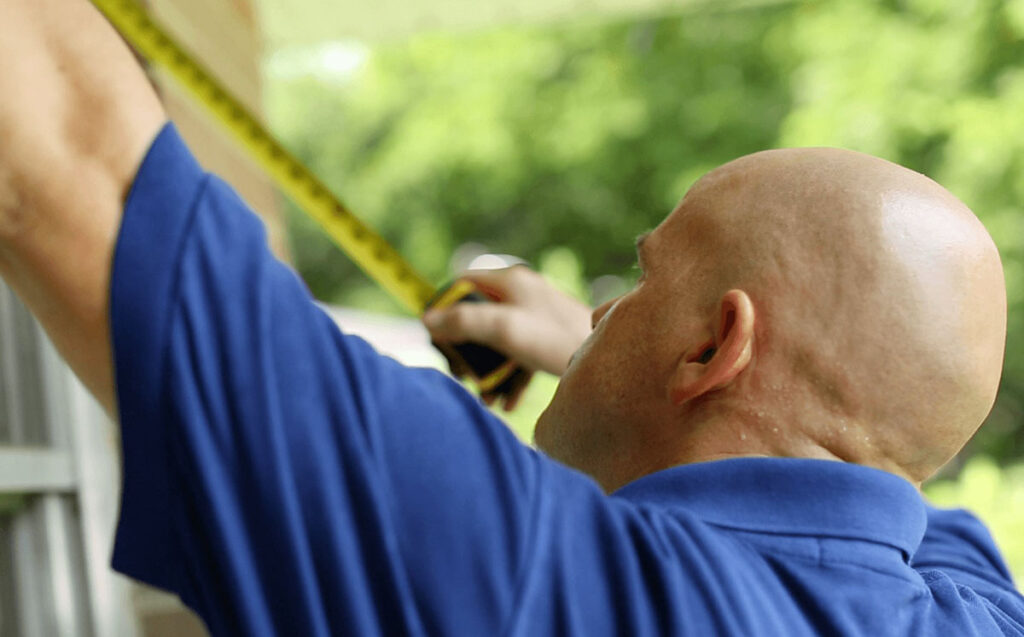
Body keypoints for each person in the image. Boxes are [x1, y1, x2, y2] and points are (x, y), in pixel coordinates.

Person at [1, 2, 1021, 635]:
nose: (602, 310)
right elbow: (863, 488)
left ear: (714, 346)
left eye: (640, 281)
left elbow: (61, 156)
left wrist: (638, 367)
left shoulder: (533, 577)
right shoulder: (976, 606)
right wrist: (624, 363)